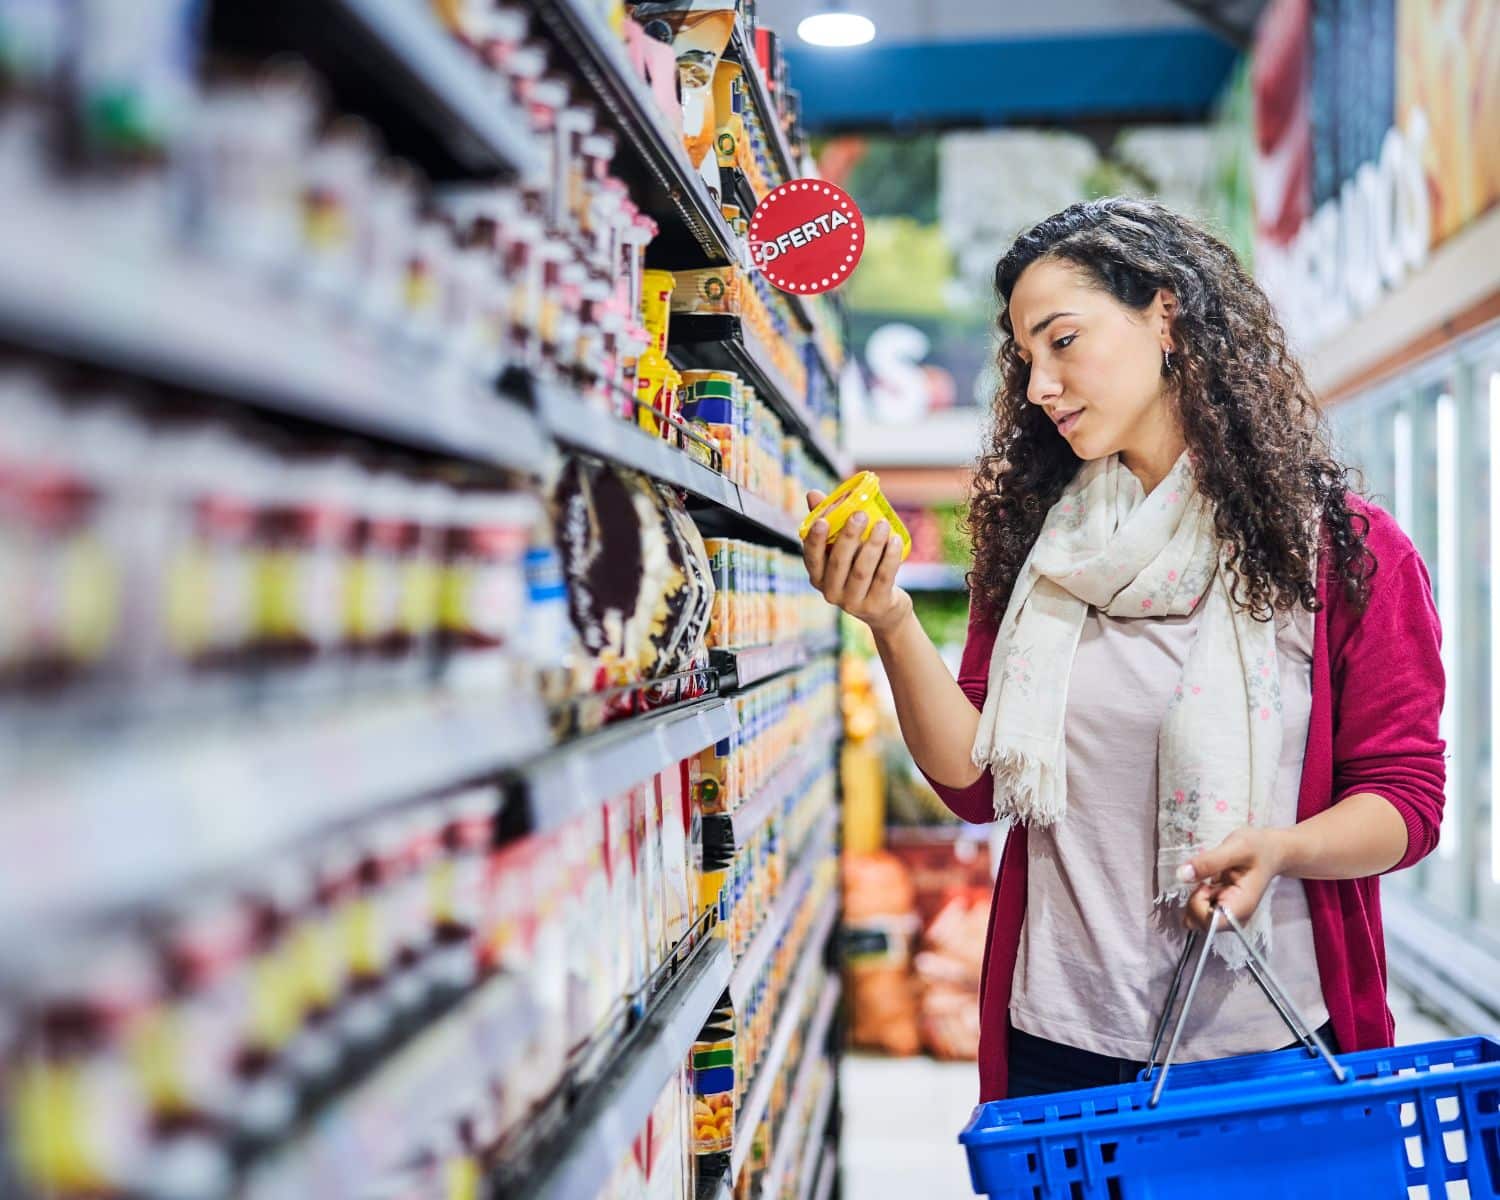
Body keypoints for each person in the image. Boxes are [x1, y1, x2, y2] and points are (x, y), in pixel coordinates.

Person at [801, 198, 1445, 1100]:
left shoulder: (1346, 553)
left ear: (1165, 313)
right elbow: (977, 782)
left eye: (1062, 340)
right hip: (1058, 1043)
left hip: (1272, 1045)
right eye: (1025, 358)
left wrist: (1282, 850)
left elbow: (1406, 803)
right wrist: (891, 620)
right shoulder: (1040, 554)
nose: (1039, 386)